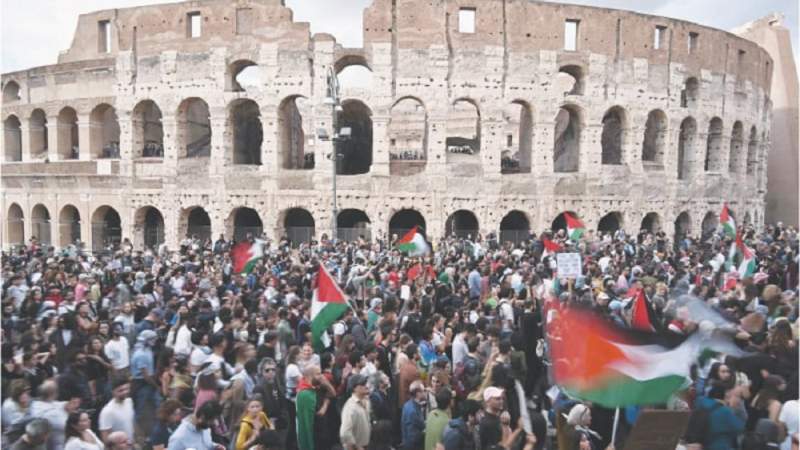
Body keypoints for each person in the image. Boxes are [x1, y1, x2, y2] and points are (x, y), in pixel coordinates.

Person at [98, 377, 135, 444]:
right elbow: (106, 438)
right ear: (113, 391)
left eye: (127, 389)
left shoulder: (129, 402)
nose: (125, 392)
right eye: (120, 390)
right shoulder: (107, 411)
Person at [339, 374, 372, 450]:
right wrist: (356, 446)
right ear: (354, 388)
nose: (366, 386)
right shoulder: (350, 407)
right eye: (363, 384)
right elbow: (345, 432)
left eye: (366, 383)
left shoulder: (366, 401)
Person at [295, 365, 321, 450]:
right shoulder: (305, 394)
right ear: (310, 376)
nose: (321, 376)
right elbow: (308, 422)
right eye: (318, 374)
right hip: (313, 435)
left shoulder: (311, 388)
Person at [401, 380, 427, 450]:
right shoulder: (413, 411)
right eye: (423, 391)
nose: (425, 393)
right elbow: (415, 433)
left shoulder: (407, 404)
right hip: (413, 446)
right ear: (418, 393)